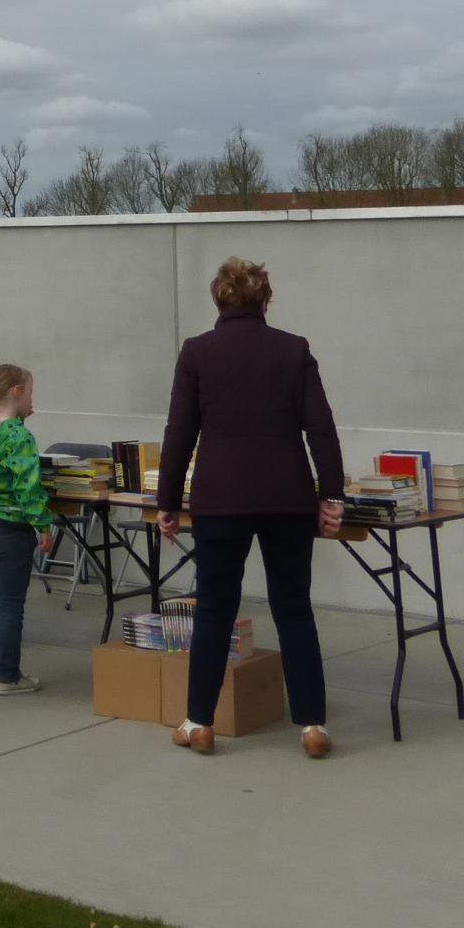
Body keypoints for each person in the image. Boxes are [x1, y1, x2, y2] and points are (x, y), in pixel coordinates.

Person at [156, 255, 345, 759]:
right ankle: (312, 727)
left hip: (221, 500)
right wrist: (332, 496)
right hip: (287, 499)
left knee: (215, 610)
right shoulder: (293, 350)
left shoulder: (197, 352)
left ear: (218, 301)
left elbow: (179, 433)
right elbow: (321, 427)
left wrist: (167, 502)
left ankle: (199, 722)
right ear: (265, 301)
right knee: (294, 608)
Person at [0, 363, 50, 694]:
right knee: (11, 605)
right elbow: (28, 486)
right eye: (30, 392)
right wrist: (42, 524)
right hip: (11, 527)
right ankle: (8, 676)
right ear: (16, 392)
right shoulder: (19, 435)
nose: (33, 400)